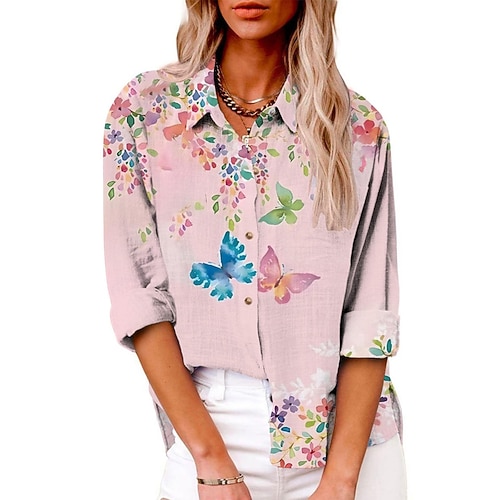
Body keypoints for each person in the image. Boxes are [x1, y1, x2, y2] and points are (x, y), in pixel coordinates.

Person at [103, 0, 407, 498]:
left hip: (350, 442)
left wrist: (341, 480)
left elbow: (371, 311)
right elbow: (139, 296)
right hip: (212, 428)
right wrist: (210, 461)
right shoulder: (146, 112)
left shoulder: (357, 128)